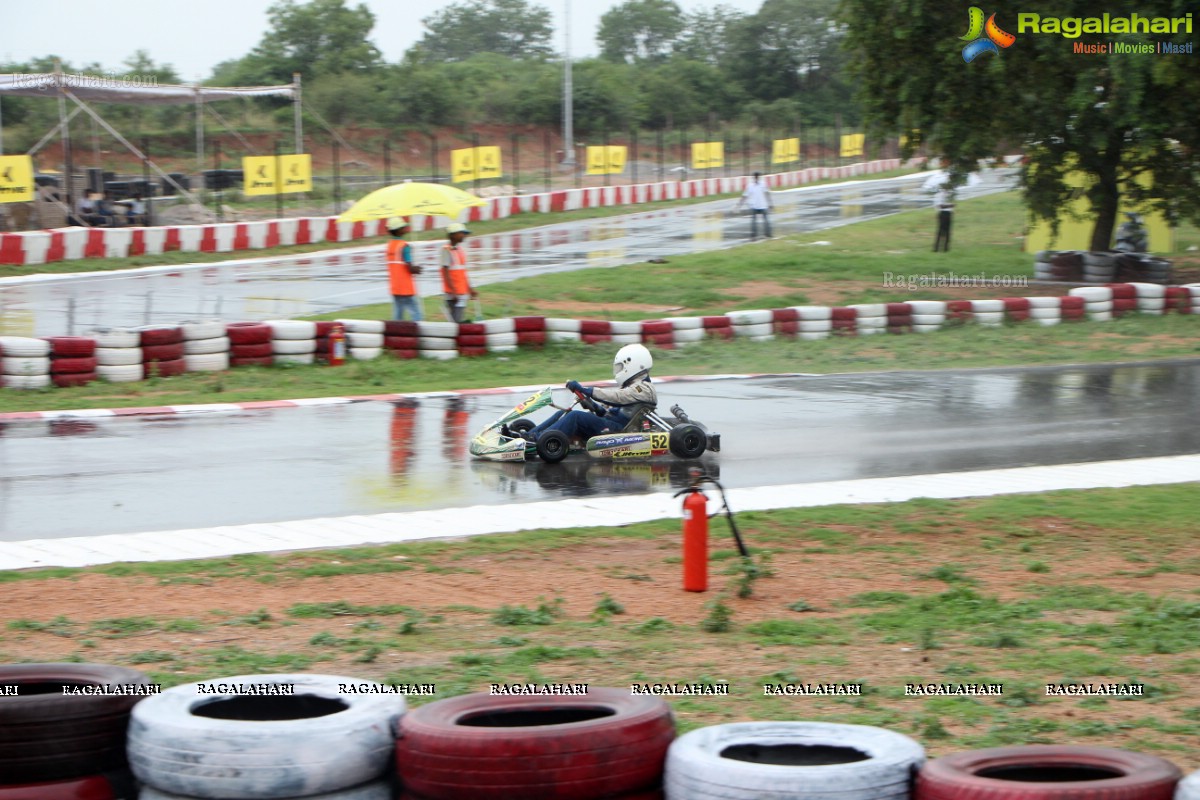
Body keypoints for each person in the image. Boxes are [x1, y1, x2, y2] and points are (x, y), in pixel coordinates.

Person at [507, 344, 658, 442]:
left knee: (575, 417)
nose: (618, 372)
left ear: (634, 365)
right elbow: (616, 408)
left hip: (621, 431)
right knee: (564, 413)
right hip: (614, 424)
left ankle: (537, 440)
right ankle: (528, 436)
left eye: (620, 367)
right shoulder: (633, 386)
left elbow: (618, 398)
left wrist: (588, 391)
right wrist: (595, 407)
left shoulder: (644, 388)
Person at [386, 216, 423, 321]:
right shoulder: (404, 246)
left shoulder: (389, 246)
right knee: (416, 314)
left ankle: (396, 335)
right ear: (398, 230)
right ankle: (418, 334)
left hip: (395, 287)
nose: (405, 228)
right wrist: (417, 269)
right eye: (403, 227)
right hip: (406, 288)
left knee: (398, 316)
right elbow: (410, 268)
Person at [440, 222, 477, 323]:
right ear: (453, 235)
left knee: (456, 322)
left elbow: (463, 272)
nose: (465, 235)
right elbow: (445, 273)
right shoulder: (446, 250)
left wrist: (470, 289)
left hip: (462, 292)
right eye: (462, 233)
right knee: (455, 323)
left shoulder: (460, 250)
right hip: (453, 294)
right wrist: (453, 292)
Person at [736, 172, 773, 239]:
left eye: (757, 177)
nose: (756, 178)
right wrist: (739, 205)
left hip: (763, 205)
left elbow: (767, 194)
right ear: (753, 178)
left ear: (759, 177)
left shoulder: (763, 184)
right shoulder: (750, 186)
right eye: (755, 177)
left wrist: (770, 203)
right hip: (754, 206)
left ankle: (768, 234)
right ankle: (754, 235)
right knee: (754, 222)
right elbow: (744, 196)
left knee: (766, 221)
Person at [933, 187, 954, 252]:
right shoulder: (939, 195)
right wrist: (949, 205)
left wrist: (951, 206)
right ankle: (936, 247)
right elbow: (940, 205)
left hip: (949, 213)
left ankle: (946, 248)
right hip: (942, 213)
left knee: (948, 231)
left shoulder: (950, 194)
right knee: (940, 231)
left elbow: (953, 204)